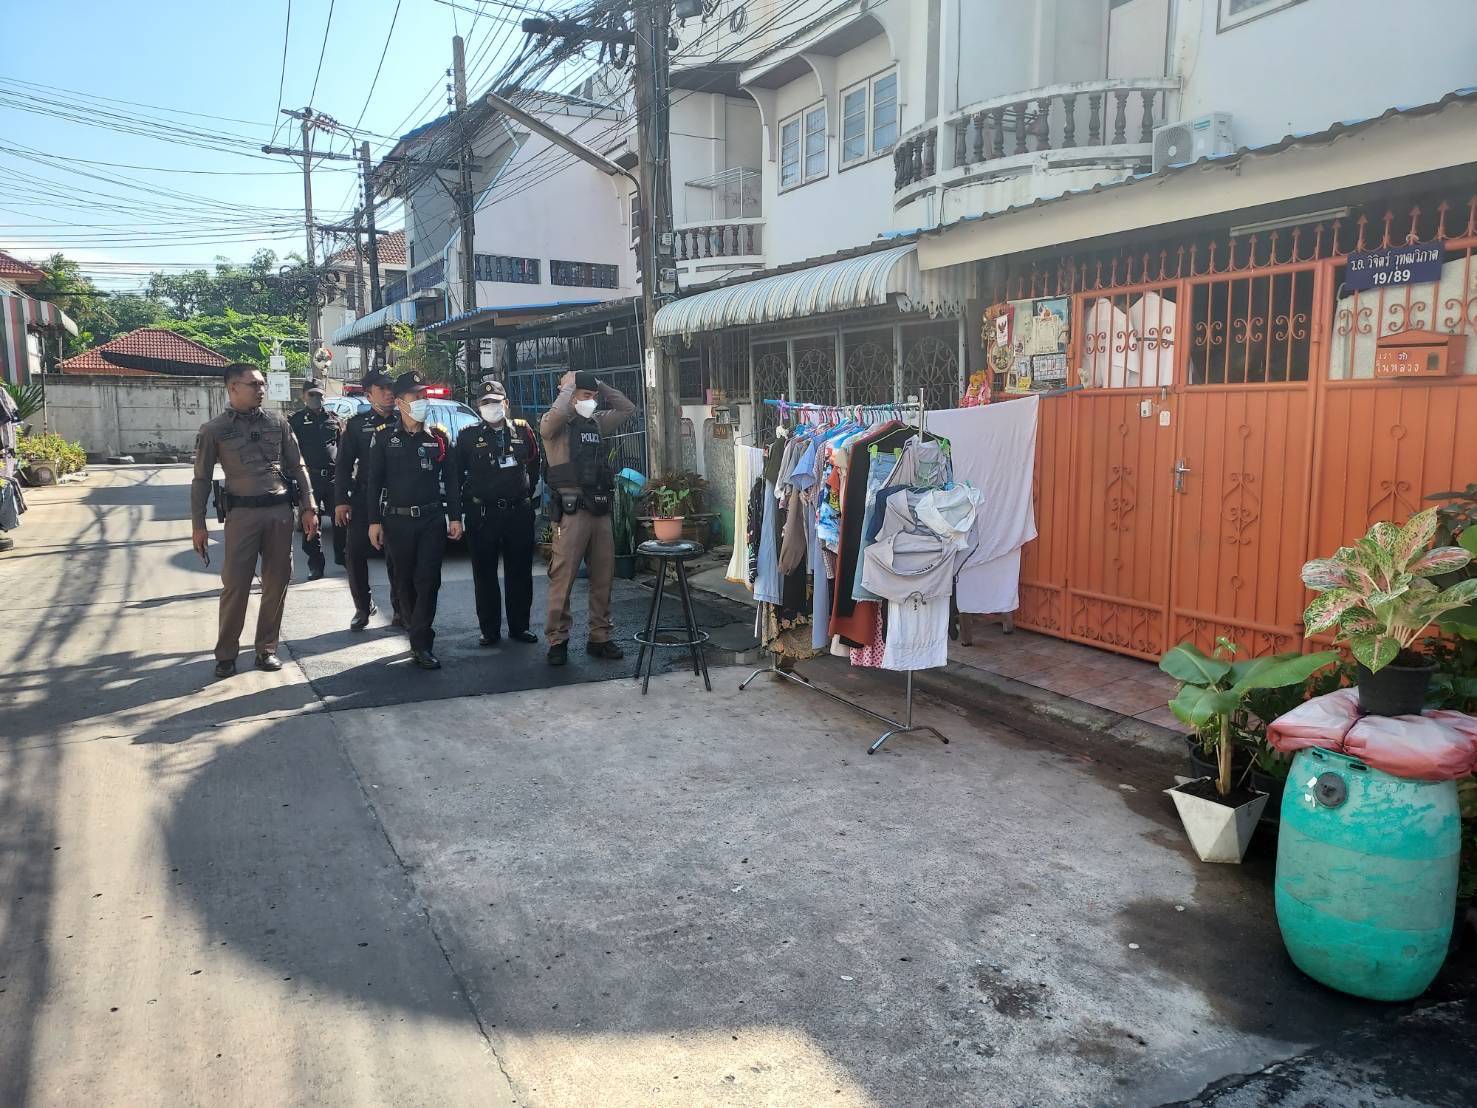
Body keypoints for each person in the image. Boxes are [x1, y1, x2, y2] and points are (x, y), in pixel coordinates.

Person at [190, 362, 319, 678]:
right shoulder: (214, 430)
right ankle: (226, 654)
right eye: (254, 384)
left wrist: (309, 505)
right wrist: (198, 524)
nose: (261, 389)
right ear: (233, 387)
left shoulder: (278, 422)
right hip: (242, 515)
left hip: (279, 513)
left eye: (262, 384)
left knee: (277, 581)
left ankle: (266, 649)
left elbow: (298, 465)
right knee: (236, 585)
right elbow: (201, 479)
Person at [367, 370, 463, 669]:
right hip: (397, 521)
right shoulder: (385, 437)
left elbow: (452, 480)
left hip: (431, 519)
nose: (422, 400)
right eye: (415, 396)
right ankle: (414, 628)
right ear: (400, 402)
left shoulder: (438, 438)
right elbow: (373, 482)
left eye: (424, 395)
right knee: (403, 581)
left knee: (428, 580)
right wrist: (373, 521)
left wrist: (455, 517)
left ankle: (421, 641)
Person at [540, 369, 635, 666]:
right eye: (585, 395)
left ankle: (600, 637)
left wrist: (599, 385)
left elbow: (627, 408)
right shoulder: (556, 425)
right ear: (570, 396)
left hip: (599, 510)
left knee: (603, 578)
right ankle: (558, 640)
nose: (590, 401)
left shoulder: (595, 422)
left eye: (593, 397)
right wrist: (569, 388)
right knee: (563, 579)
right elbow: (552, 420)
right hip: (571, 514)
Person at [456, 379, 541, 647]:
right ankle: (489, 630)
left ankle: (520, 627)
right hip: (483, 514)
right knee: (484, 574)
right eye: (486, 403)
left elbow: (534, 464)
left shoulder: (523, 430)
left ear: (506, 404)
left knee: (520, 572)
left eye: (496, 402)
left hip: (518, 512)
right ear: (478, 406)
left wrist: (525, 492)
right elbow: (456, 475)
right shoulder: (468, 436)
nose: (491, 406)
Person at [334, 368, 402, 631]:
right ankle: (362, 606)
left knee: (397, 556)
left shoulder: (404, 420)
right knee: (354, 553)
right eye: (381, 389)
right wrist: (341, 500)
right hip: (364, 498)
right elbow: (343, 466)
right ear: (369, 394)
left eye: (390, 388)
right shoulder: (356, 425)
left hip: (396, 497)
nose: (388, 393)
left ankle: (400, 608)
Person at [287, 378, 344, 579]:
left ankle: (343, 557)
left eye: (319, 394)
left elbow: (342, 447)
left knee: (342, 520)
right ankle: (316, 565)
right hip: (309, 479)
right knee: (311, 523)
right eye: (311, 394)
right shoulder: (295, 421)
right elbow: (289, 452)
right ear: (304, 396)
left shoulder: (334, 419)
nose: (315, 398)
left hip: (333, 478)